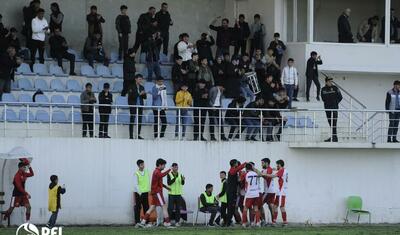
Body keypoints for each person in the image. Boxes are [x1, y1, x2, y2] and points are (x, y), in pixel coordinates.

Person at [138, 158, 172, 227]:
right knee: (164, 207)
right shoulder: (157, 172)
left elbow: (159, 183)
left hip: (155, 192)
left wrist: (166, 187)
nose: (164, 167)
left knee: (152, 207)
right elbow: (161, 175)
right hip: (157, 193)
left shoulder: (157, 171)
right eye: (164, 165)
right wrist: (169, 170)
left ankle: (143, 222)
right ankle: (167, 223)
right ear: (160, 165)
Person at [225, 159, 247, 227]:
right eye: (237, 163)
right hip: (231, 193)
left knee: (232, 208)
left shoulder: (234, 171)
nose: (238, 164)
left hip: (233, 192)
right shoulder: (232, 170)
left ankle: (228, 222)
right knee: (230, 208)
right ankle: (228, 223)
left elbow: (237, 181)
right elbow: (238, 168)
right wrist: (245, 163)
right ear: (234, 164)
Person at [321, 77, 342, 142]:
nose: (331, 82)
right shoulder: (323, 89)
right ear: (326, 82)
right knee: (330, 122)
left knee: (334, 123)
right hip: (327, 108)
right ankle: (334, 137)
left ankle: (334, 137)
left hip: (335, 108)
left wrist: (335, 103)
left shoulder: (335, 88)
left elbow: (340, 97)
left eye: (331, 81)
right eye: (329, 81)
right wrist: (329, 102)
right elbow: (323, 99)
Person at [242, 163, 262, 227]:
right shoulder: (256, 174)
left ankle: (244, 223)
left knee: (245, 209)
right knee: (256, 208)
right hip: (256, 193)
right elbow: (260, 174)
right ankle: (258, 223)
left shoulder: (246, 174)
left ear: (246, 168)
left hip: (249, 194)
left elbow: (245, 183)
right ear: (252, 168)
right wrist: (254, 169)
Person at [128, 74, 146, 140]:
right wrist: (139, 94)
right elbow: (131, 96)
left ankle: (138, 135)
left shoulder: (142, 87)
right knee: (132, 120)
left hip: (140, 105)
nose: (140, 80)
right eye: (139, 79)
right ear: (136, 79)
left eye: (141, 79)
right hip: (133, 105)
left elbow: (145, 97)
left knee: (139, 121)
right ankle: (131, 136)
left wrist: (144, 94)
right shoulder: (131, 86)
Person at [133, 159, 150, 226]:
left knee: (146, 207)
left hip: (145, 192)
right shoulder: (136, 173)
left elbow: (147, 181)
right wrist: (140, 192)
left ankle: (146, 221)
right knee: (138, 207)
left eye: (143, 164)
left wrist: (148, 190)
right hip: (139, 193)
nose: (143, 166)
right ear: (138, 165)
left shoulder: (146, 172)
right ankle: (137, 222)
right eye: (141, 164)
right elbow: (135, 184)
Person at [261, 158, 275, 225]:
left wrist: (261, 175)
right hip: (270, 191)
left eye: (263, 163)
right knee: (270, 206)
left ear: (266, 163)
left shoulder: (269, 169)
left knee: (259, 205)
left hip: (268, 191)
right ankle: (273, 222)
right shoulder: (265, 169)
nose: (261, 164)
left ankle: (263, 221)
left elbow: (267, 178)